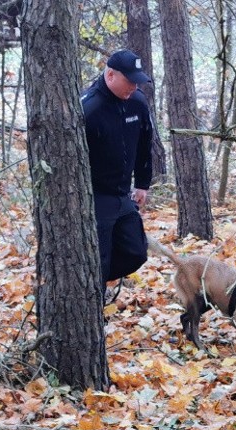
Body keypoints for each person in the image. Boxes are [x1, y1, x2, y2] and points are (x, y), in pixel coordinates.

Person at [81, 49, 153, 297]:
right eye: (129, 80)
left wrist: (142, 183)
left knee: (136, 252)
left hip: (124, 194)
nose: (134, 86)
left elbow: (146, 143)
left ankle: (94, 280)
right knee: (97, 261)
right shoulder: (89, 108)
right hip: (96, 196)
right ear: (111, 75)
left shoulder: (137, 102)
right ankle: (93, 306)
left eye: (137, 81)